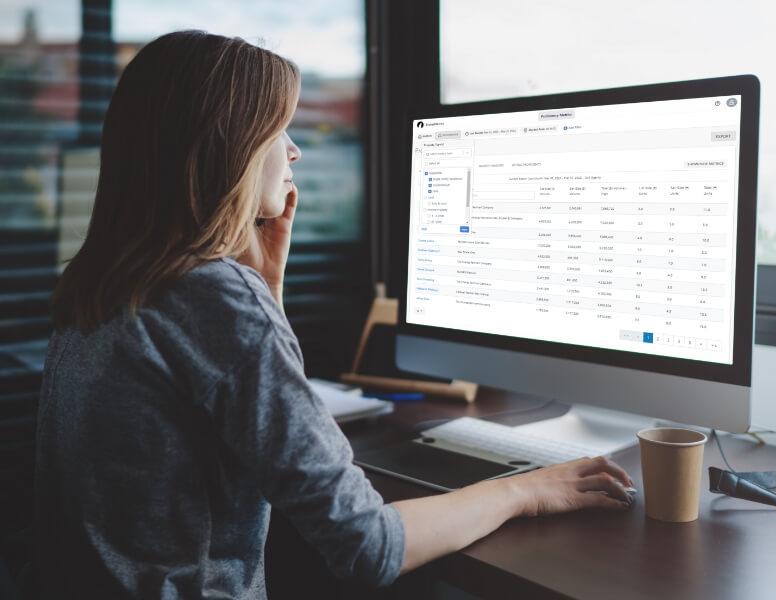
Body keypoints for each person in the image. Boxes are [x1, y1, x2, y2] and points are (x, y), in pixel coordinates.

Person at [35, 30, 634, 599]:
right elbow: (368, 546)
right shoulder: (211, 297)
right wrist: (525, 490)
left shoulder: (102, 283)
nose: (294, 149)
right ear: (229, 147)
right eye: (279, 129)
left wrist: (264, 290)